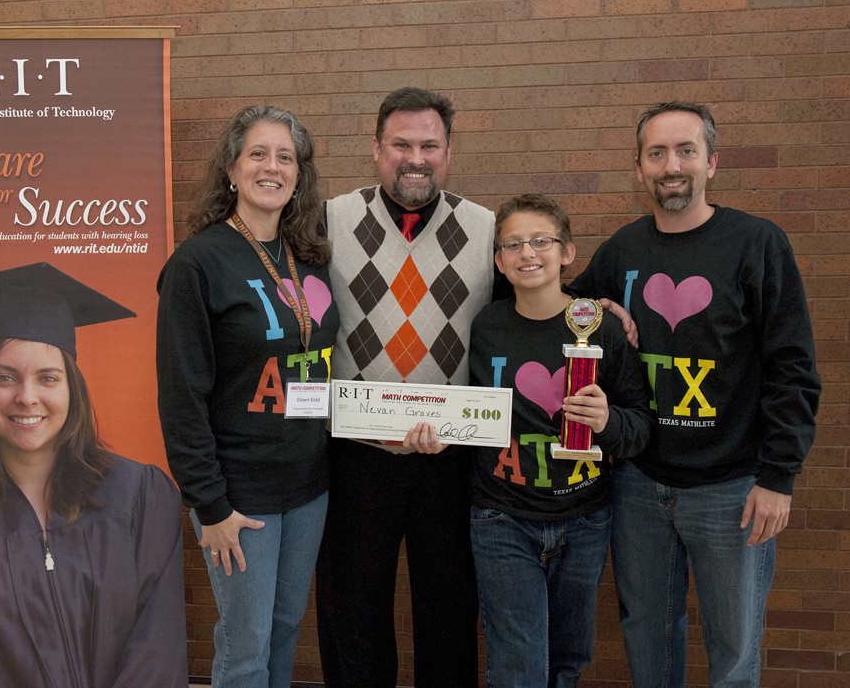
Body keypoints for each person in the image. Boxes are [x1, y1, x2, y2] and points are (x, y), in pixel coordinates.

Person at [570, 101, 821, 688]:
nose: (672, 166)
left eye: (686, 151)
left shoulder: (757, 243)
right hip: (638, 484)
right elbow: (563, 312)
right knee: (647, 640)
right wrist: (598, 306)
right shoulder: (623, 250)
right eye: (657, 153)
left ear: (712, 162)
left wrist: (778, 476)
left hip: (732, 490)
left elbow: (793, 367)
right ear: (639, 168)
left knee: (733, 651)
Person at [0, 262, 188, 688]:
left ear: (72, 389)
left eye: (48, 378)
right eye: (5, 378)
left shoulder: (139, 497)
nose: (27, 397)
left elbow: (158, 646)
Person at [156, 105, 339, 688]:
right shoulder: (196, 264)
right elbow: (181, 396)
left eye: (285, 157)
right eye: (257, 154)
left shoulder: (308, 256)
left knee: (284, 628)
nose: (271, 167)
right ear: (232, 169)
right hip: (238, 494)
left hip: (308, 486)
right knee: (246, 646)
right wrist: (208, 505)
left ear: (299, 176)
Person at [316, 87, 493, 688]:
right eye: (401, 144)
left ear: (448, 152)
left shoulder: (486, 228)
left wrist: (597, 306)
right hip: (355, 455)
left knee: (449, 613)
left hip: (450, 457)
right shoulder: (330, 219)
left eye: (429, 146)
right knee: (352, 611)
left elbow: (535, 296)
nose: (415, 158)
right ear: (376, 149)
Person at [467, 194, 654, 688]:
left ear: (567, 252)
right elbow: (462, 409)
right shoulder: (484, 326)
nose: (527, 253)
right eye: (512, 245)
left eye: (541, 241)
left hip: (585, 519)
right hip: (502, 518)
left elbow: (639, 427)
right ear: (499, 261)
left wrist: (607, 421)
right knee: (518, 666)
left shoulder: (602, 328)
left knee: (568, 660)